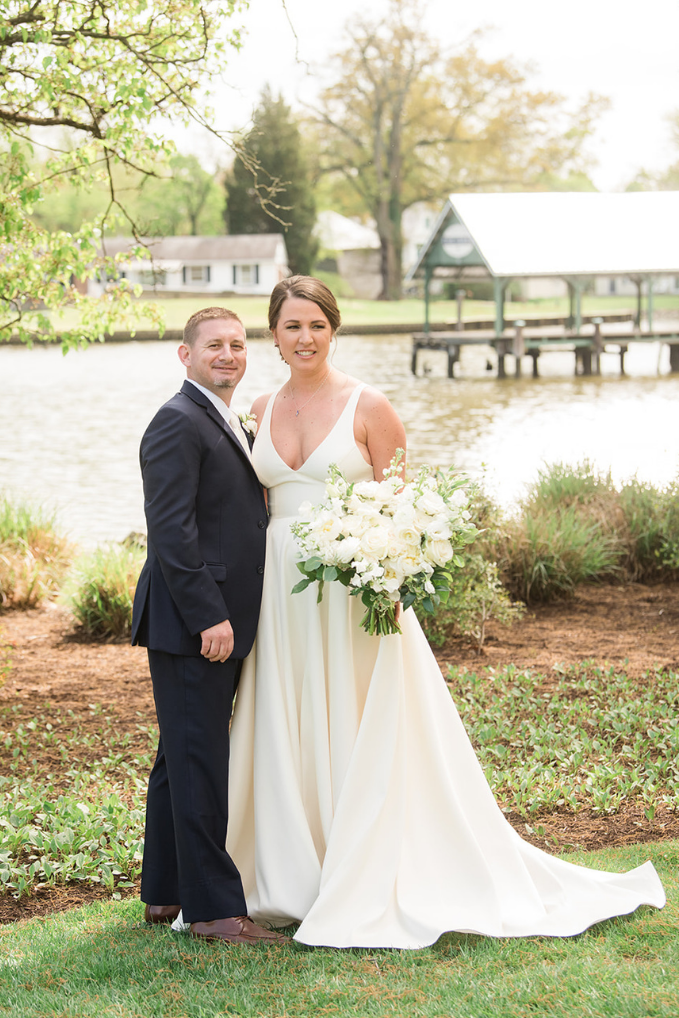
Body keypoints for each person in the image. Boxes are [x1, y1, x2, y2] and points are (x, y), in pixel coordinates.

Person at [227, 275, 667, 949]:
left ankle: (366, 868)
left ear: (334, 329)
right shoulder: (257, 408)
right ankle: (291, 872)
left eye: (316, 324)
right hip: (281, 595)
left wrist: (388, 574)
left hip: (354, 592)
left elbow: (401, 511)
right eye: (291, 326)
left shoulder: (369, 407)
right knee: (290, 719)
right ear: (274, 334)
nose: (305, 338)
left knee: (356, 721)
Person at [130, 306, 285, 945]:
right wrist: (210, 617)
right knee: (198, 759)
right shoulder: (175, 421)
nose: (228, 355)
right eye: (214, 346)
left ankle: (164, 891)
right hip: (194, 621)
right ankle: (217, 912)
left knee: (179, 755)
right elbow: (171, 533)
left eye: (237, 345)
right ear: (185, 355)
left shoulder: (222, 417)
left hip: (211, 618)